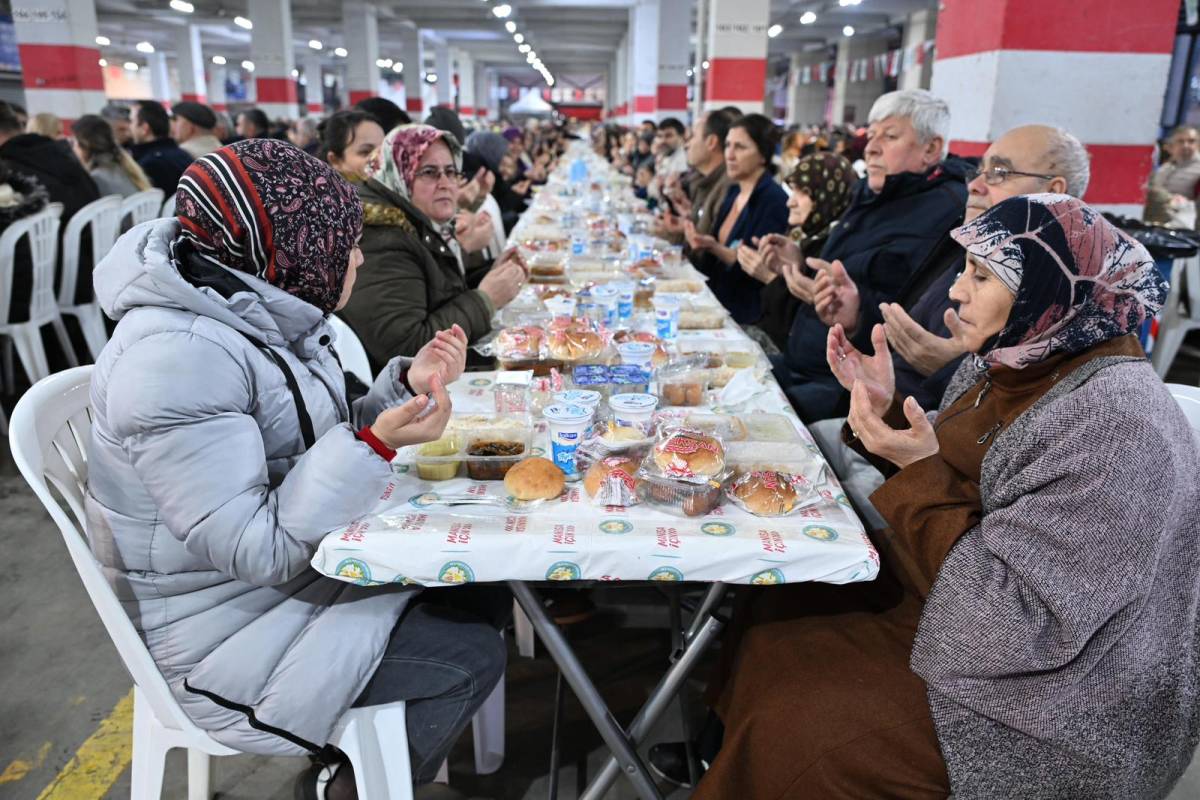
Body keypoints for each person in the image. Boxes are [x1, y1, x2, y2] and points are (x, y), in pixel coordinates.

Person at [695, 194, 1199, 799]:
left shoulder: (1115, 426)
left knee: (804, 724)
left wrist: (919, 469)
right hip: (956, 603)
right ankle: (722, 751)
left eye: (980, 276)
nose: (957, 292)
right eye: (963, 269)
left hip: (1050, 699)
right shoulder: (1014, 359)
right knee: (779, 595)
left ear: (1049, 288)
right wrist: (885, 417)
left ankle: (754, 760)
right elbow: (945, 468)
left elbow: (1015, 625)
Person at [87, 139, 506, 796]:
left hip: (281, 591)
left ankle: (377, 765)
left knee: (483, 590)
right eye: (345, 245)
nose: (360, 257)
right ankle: (348, 785)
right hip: (222, 638)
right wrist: (372, 443)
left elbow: (314, 433)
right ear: (295, 250)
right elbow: (261, 545)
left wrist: (400, 393)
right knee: (468, 653)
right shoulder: (176, 360)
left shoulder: (249, 303)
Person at [805, 125, 1092, 526]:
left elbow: (984, 492)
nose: (974, 185)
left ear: (1054, 192)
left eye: (999, 173)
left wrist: (944, 369)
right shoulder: (966, 244)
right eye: (979, 171)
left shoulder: (1064, 323)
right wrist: (880, 388)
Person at [770, 89, 969, 423]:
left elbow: (909, 313)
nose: (872, 147)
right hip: (806, 360)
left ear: (931, 148)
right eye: (872, 135)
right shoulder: (870, 193)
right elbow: (841, 273)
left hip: (847, 386)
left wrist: (857, 316)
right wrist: (799, 263)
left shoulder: (944, 212)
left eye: (890, 136)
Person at [339, 125, 528, 370]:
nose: (445, 183)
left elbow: (437, 291)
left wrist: (493, 274)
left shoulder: (418, 220)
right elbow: (407, 348)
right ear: (399, 174)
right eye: (429, 172)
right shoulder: (380, 237)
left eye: (451, 172)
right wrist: (486, 300)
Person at [738, 152, 856, 352]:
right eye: (792, 191)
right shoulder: (805, 236)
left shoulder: (839, 248)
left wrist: (771, 278)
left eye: (802, 192)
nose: (790, 202)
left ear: (827, 195)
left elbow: (797, 326)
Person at [685, 113, 790, 324]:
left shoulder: (773, 200)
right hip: (717, 301)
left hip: (746, 313)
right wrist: (704, 244)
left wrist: (716, 248)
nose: (730, 155)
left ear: (762, 155)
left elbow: (756, 268)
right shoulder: (733, 192)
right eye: (728, 146)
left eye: (740, 147)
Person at [70, 114, 153, 198]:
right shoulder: (122, 167)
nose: (73, 149)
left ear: (84, 145)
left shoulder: (97, 178)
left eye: (73, 143)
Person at [128, 100, 193, 194]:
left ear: (144, 128)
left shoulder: (150, 164)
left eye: (131, 121)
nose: (129, 126)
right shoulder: (182, 154)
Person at [1143, 125, 1200, 229]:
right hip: (1153, 220)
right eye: (1181, 141)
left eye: (1191, 141)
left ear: (1198, 144)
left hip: (1181, 226)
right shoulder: (1167, 166)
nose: (1186, 145)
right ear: (1173, 144)